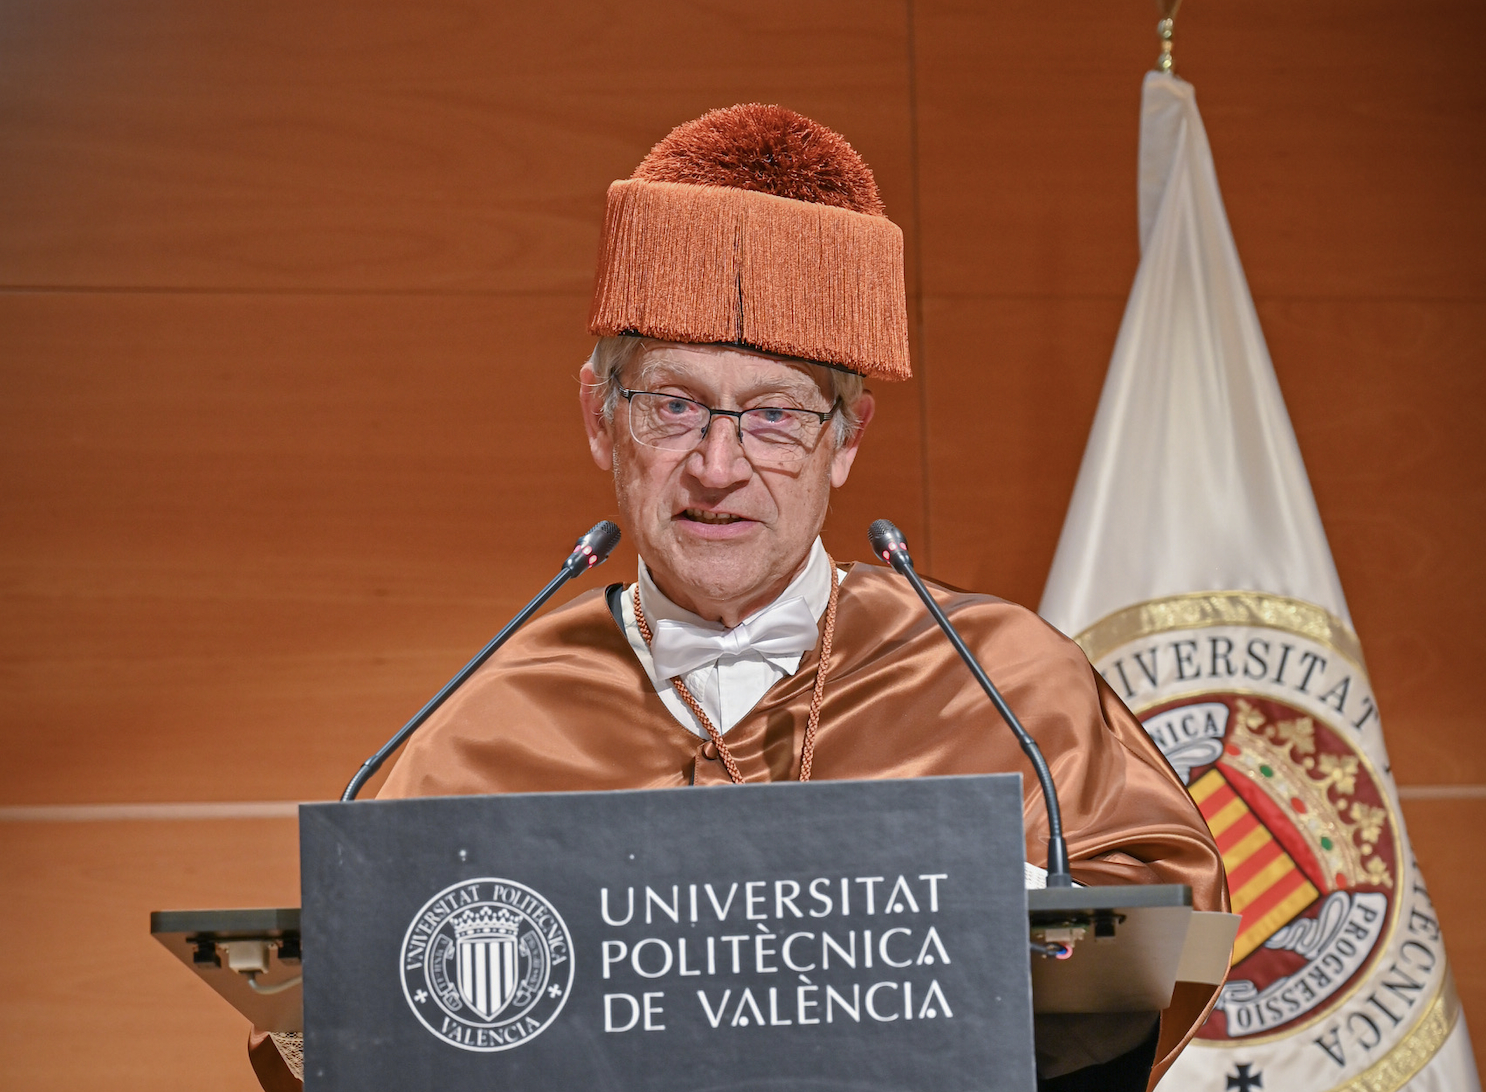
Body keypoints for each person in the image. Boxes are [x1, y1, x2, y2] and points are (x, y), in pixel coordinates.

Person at [248, 104, 1227, 1092]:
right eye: (672, 405)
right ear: (600, 420)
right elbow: (338, 1015)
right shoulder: (485, 728)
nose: (717, 467)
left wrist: (977, 907)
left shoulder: (1006, 683)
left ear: (844, 441)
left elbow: (1160, 935)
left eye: (774, 415)